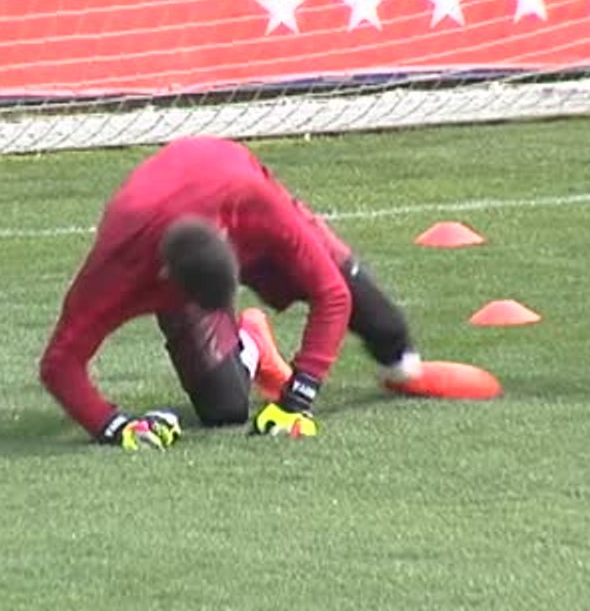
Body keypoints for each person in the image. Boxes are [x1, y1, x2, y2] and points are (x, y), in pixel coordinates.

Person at [38, 137, 421, 450]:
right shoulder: (117, 268)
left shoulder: (251, 201)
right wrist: (115, 427)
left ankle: (392, 348)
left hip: (229, 188)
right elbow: (59, 364)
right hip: (166, 240)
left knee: (387, 331)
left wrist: (298, 399)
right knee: (223, 408)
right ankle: (251, 342)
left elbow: (332, 294)